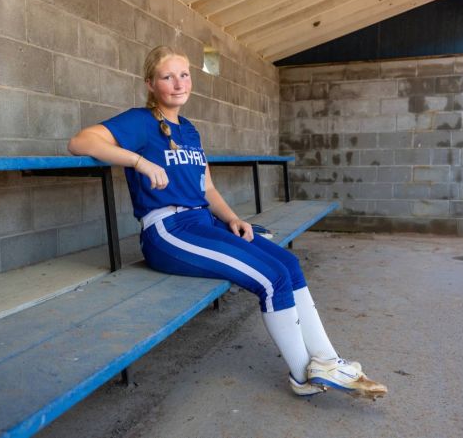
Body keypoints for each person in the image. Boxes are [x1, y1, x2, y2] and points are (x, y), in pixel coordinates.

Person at [68, 45, 387, 399]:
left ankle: (327, 360)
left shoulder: (189, 129)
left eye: (184, 75)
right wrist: (138, 162)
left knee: (288, 263)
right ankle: (303, 375)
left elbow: (207, 187)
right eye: (167, 77)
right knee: (272, 279)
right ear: (150, 83)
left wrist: (234, 219)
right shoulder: (140, 121)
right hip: (168, 232)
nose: (178, 83)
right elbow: (80, 142)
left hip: (203, 224)